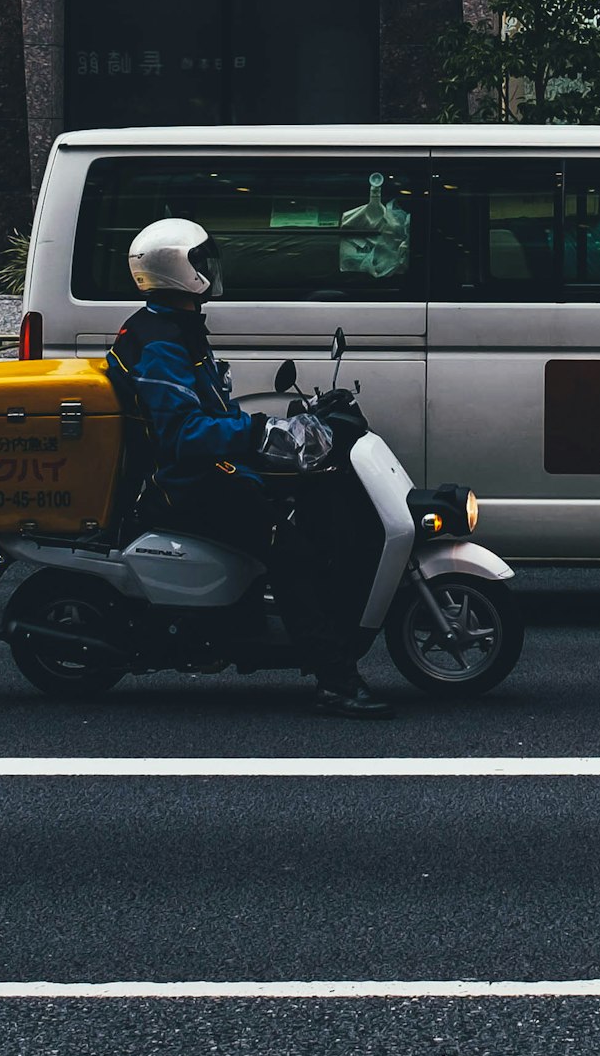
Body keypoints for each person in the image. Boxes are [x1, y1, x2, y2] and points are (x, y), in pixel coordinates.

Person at [106, 216, 393, 718]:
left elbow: (212, 408)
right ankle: (335, 681)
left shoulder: (173, 325)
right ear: (178, 270)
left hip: (197, 468)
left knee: (299, 497)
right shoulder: (161, 343)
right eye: (201, 261)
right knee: (289, 547)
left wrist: (279, 424)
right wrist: (257, 431)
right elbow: (183, 433)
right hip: (182, 481)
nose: (211, 269)